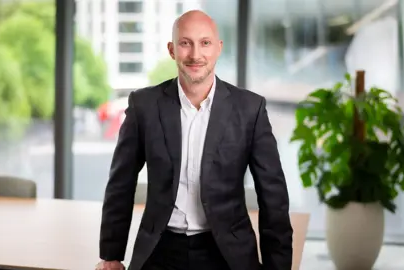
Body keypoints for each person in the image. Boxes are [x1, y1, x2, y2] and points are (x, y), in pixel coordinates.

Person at [96, 10, 292, 270]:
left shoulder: (250, 109)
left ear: (218, 48)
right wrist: (111, 254)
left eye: (205, 43)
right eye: (185, 43)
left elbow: (273, 196)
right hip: (160, 248)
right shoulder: (143, 105)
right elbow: (121, 183)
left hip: (228, 253)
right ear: (172, 50)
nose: (195, 54)